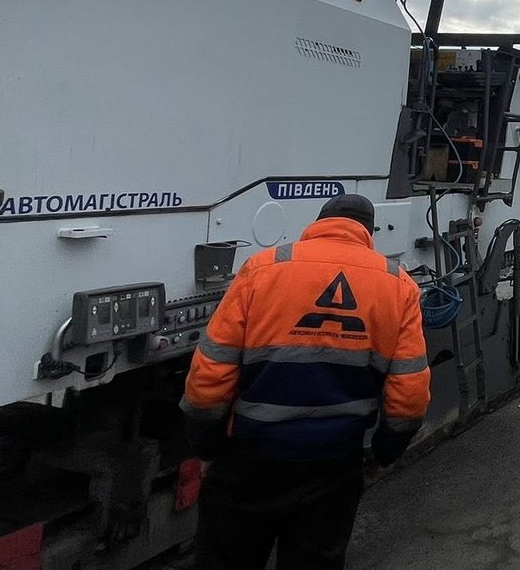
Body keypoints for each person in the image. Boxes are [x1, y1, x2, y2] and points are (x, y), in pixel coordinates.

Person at [181, 193, 431, 570]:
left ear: (318, 223)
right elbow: (409, 397)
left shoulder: (261, 268)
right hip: (334, 466)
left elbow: (210, 373)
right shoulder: (399, 285)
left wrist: (207, 446)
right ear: (367, 233)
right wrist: (383, 456)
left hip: (249, 457)